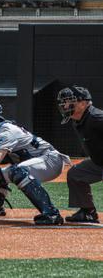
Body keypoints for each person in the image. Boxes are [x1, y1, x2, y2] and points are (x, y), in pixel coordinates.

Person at [57, 86, 101, 223]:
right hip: (99, 162)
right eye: (63, 102)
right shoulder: (78, 119)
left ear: (83, 103)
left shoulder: (96, 117)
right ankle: (88, 212)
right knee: (76, 174)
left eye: (69, 102)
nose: (65, 105)